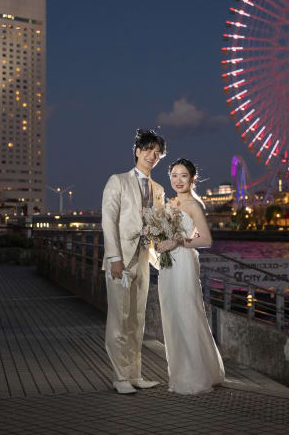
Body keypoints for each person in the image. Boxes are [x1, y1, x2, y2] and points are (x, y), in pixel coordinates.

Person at [101, 129, 166, 394]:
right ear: (137, 151)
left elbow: (159, 226)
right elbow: (108, 221)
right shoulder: (117, 181)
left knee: (137, 319)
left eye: (157, 153)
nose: (152, 156)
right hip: (121, 260)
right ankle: (120, 377)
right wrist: (114, 258)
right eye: (148, 150)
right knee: (119, 318)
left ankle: (135, 374)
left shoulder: (158, 189)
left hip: (143, 259)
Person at [155, 158, 225, 394]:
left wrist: (178, 242)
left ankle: (194, 376)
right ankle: (180, 372)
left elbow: (206, 240)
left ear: (192, 179)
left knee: (187, 312)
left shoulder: (194, 205)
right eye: (174, 175)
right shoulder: (170, 203)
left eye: (183, 175)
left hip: (184, 262)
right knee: (172, 314)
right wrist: (159, 242)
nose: (178, 180)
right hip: (167, 265)